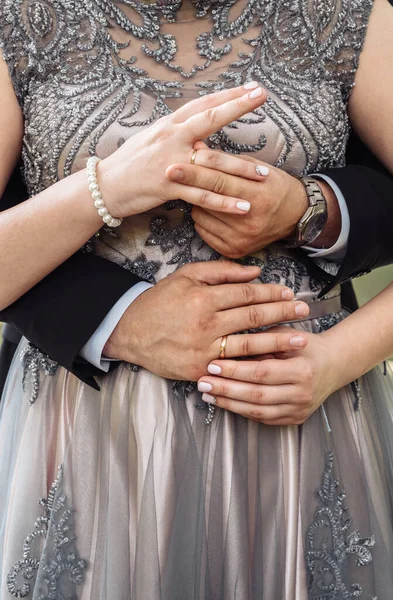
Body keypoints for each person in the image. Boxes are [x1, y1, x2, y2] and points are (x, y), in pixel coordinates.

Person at [0, 1, 393, 598]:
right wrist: (104, 192)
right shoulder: (21, 20)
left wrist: (336, 352)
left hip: (302, 420)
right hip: (84, 433)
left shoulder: (347, 15)